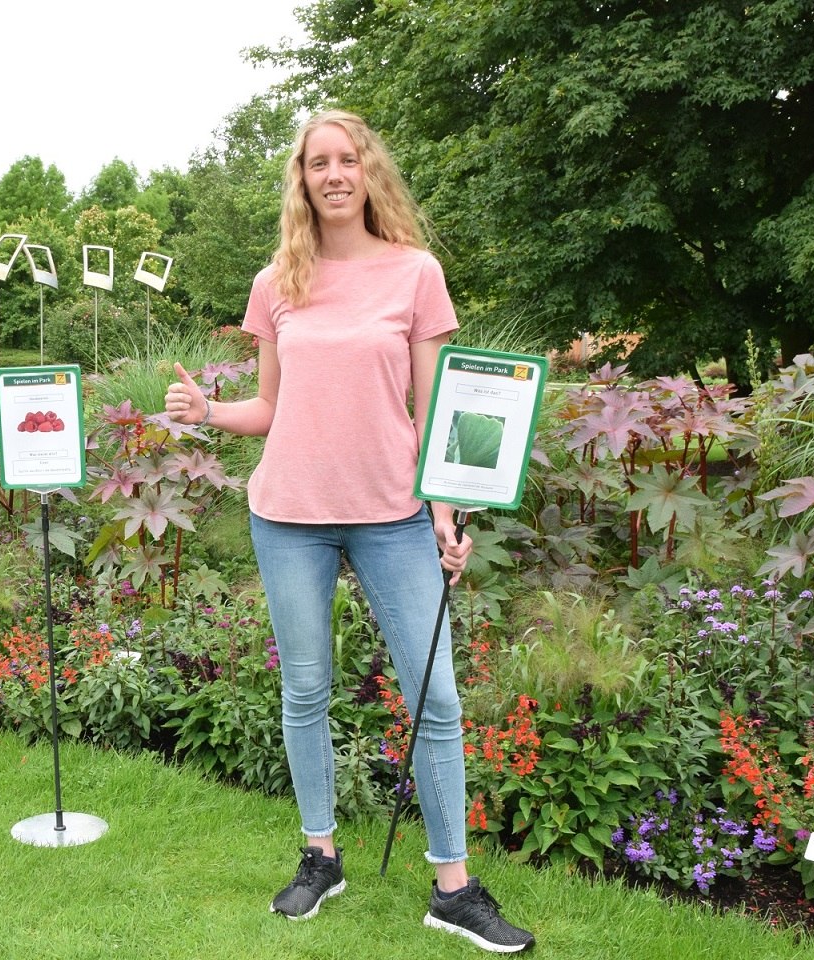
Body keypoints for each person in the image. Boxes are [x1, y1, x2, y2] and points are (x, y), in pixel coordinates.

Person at [163, 110, 535, 952]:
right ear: (301, 179)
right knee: (305, 690)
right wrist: (206, 411)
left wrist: (449, 517)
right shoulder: (278, 281)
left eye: (348, 160)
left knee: (434, 699)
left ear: (369, 173)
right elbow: (270, 407)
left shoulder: (415, 273)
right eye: (317, 162)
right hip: (286, 516)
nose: (333, 174)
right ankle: (319, 855)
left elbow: (436, 410)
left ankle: (453, 887)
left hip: (393, 516)